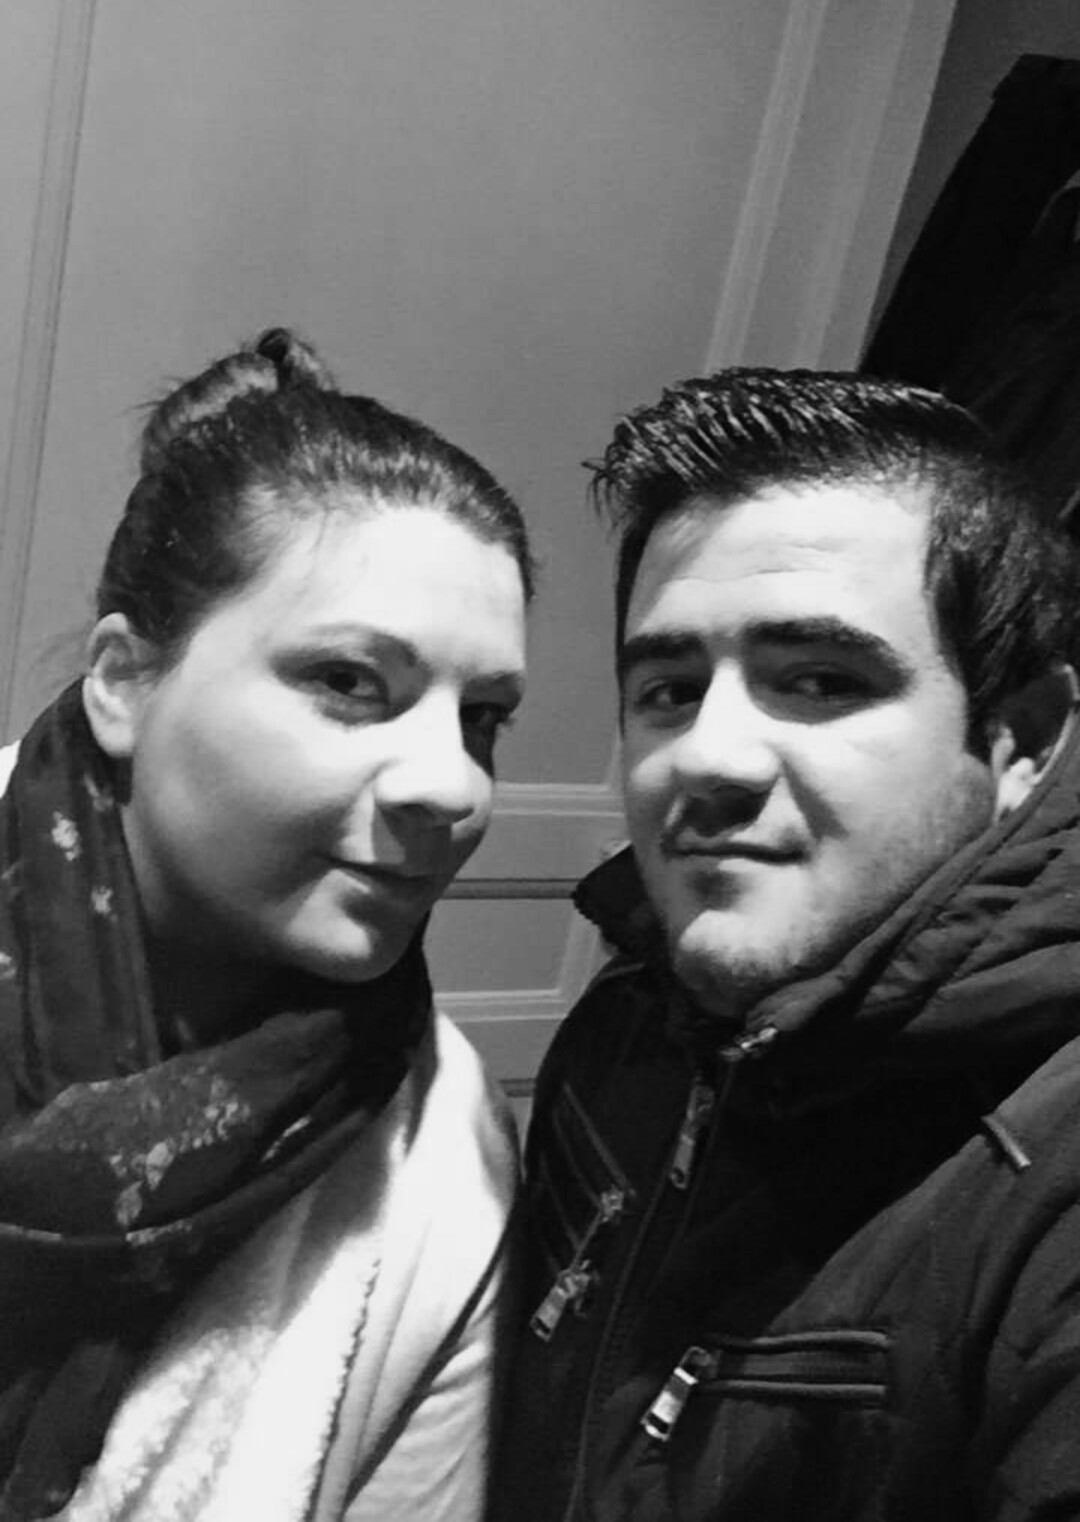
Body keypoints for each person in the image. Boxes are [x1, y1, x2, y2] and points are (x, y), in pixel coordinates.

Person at [493, 368, 1080, 1521]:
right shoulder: (626, 1021)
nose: (707, 758)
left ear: (1020, 740)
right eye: (669, 689)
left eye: (819, 680)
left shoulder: (1051, 1199)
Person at [0, 327, 532, 1522]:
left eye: (484, 718)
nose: (453, 786)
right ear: (124, 682)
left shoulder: (445, 1168)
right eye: (350, 681)